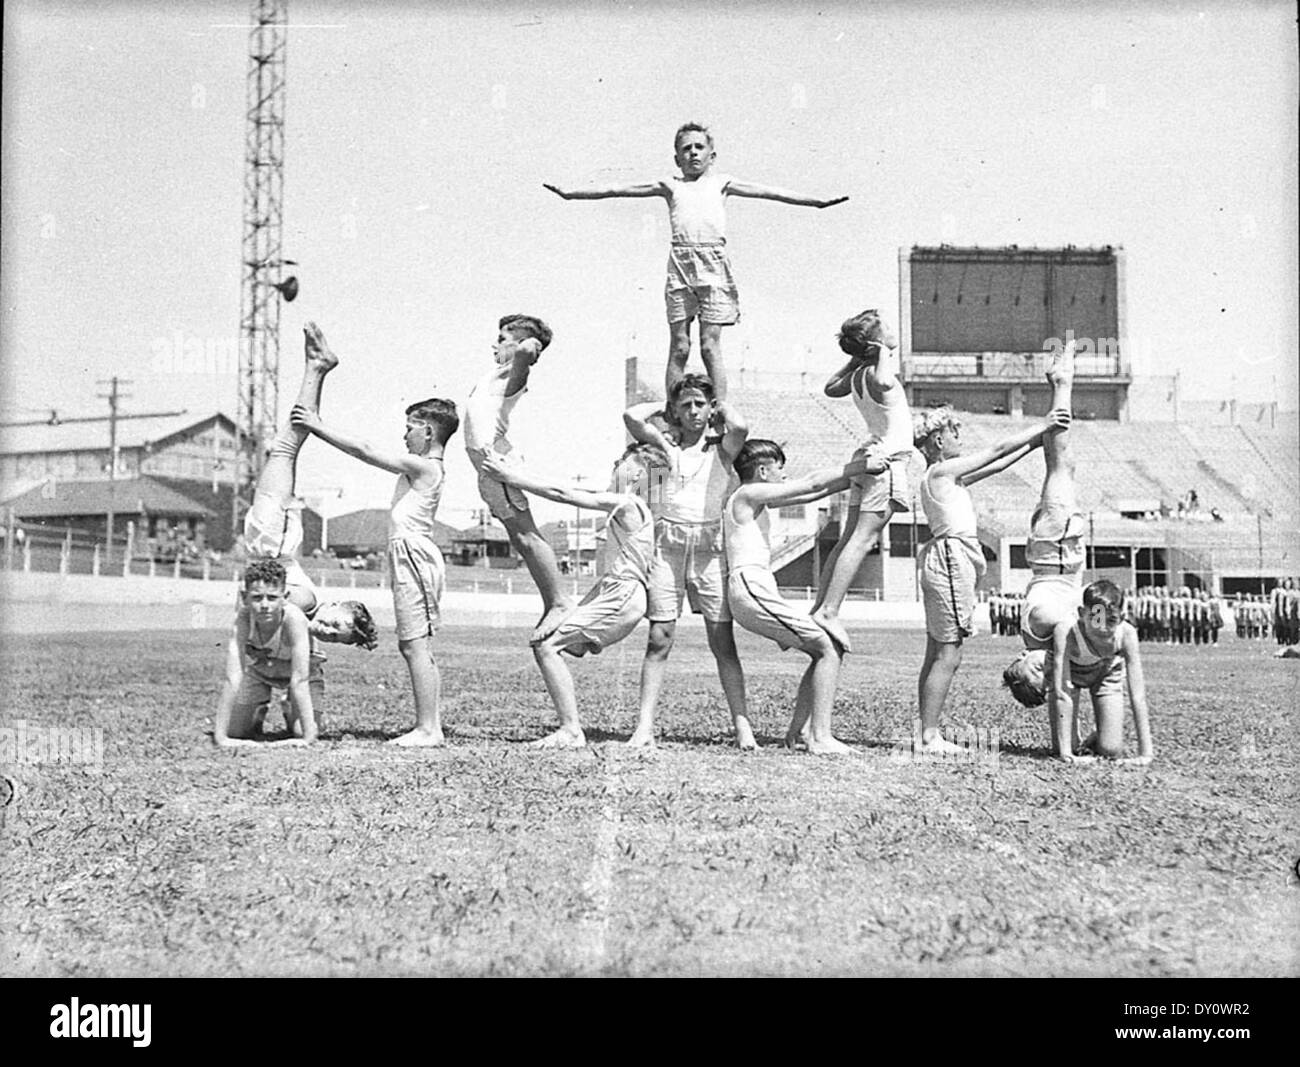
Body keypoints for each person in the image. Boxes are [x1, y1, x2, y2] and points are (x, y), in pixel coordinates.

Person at [543, 122, 847, 400]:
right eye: (685, 149)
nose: (692, 153)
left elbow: (771, 192)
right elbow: (616, 189)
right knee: (679, 345)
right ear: (677, 158)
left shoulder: (722, 183)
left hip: (713, 261)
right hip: (681, 262)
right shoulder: (671, 186)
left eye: (698, 147)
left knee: (709, 345)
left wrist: (816, 202)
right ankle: (674, 408)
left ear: (712, 155)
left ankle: (719, 407)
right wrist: (571, 194)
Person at [292, 324, 460, 747]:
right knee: (413, 645)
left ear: (428, 432)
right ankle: (428, 726)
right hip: (406, 553)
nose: (404, 434)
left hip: (414, 556)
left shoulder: (426, 466)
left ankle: (428, 728)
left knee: (414, 644)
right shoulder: (421, 467)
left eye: (410, 427)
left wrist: (318, 425)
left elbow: (365, 449)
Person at [482, 442, 671, 748]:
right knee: (556, 645)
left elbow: (564, 494)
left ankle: (571, 731)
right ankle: (570, 727)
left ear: (639, 473)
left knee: (546, 646)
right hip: (616, 594)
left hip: (622, 596)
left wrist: (512, 476)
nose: (615, 465)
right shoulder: (637, 508)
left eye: (623, 461)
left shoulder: (629, 504)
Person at [913, 391, 1071, 754]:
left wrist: (1036, 442)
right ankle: (929, 736)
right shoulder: (941, 471)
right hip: (952, 558)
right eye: (955, 432)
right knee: (949, 653)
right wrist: (1042, 426)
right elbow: (995, 451)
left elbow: (999, 464)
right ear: (939, 440)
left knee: (938, 651)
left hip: (953, 558)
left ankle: (927, 732)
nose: (960, 438)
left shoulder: (948, 477)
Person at [724, 438, 883, 754]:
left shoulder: (757, 500)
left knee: (825, 647)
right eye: (780, 471)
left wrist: (853, 479)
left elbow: (815, 491)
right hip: (750, 589)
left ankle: (799, 733)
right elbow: (809, 483)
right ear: (763, 470)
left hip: (756, 590)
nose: (784, 477)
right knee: (828, 648)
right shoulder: (746, 494)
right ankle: (819, 737)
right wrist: (862, 467)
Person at [622, 374, 753, 748]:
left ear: (711, 408)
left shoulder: (722, 449)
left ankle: (743, 727)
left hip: (710, 548)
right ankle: (644, 727)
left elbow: (740, 425)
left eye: (700, 403)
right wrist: (665, 408)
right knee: (659, 637)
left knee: (722, 639)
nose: (693, 411)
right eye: (686, 405)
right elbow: (632, 417)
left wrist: (718, 407)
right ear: (675, 411)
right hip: (668, 546)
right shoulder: (665, 448)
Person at [463, 314, 574, 643]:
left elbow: (526, 353)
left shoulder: (512, 376)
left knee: (527, 535)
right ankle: (552, 602)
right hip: (485, 470)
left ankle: (559, 602)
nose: (495, 344)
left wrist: (528, 345)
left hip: (499, 464)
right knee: (518, 538)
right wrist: (515, 346)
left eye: (501, 338)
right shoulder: (492, 375)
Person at [809, 310, 912, 653]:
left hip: (868, 456)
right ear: (877, 342)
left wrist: (857, 358)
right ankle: (828, 610)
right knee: (862, 540)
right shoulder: (880, 374)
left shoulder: (857, 375)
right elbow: (884, 384)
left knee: (847, 540)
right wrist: (881, 353)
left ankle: (820, 606)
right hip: (886, 462)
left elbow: (829, 387)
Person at [214, 559, 320, 748]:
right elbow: (233, 676)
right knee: (237, 732)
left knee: (301, 730)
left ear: (285, 596)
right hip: (262, 671)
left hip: (299, 672)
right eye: (257, 598)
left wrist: (307, 738)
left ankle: (289, 706)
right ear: (245, 597)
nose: (264, 605)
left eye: (272, 597)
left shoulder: (294, 618)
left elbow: (300, 678)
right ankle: (258, 707)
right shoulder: (244, 619)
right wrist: (221, 737)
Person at [1047, 579, 1154, 764]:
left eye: (1111, 621)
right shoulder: (1065, 631)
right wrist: (1066, 754)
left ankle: (1101, 734)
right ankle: (1073, 740)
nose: (1103, 629)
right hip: (1072, 674)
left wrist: (1145, 753)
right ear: (1081, 614)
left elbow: (1138, 696)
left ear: (1121, 616)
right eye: (1096, 621)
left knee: (1110, 750)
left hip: (1106, 674)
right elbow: (1061, 693)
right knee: (1063, 746)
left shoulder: (1126, 634)